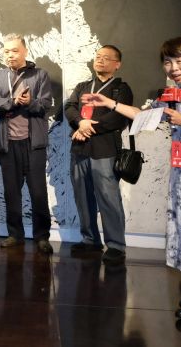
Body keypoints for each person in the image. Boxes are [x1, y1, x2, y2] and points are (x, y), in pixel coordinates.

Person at [83, 37, 181, 320]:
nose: (173, 68)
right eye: (168, 62)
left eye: (180, 61)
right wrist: (109, 102)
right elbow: (141, 115)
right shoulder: (174, 93)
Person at [63, 45, 133, 265]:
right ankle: (90, 240)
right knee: (83, 197)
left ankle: (116, 245)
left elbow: (118, 119)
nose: (100, 60)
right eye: (98, 56)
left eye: (106, 58)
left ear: (117, 64)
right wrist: (80, 122)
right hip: (80, 149)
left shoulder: (121, 89)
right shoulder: (83, 86)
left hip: (105, 150)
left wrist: (88, 127)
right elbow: (70, 108)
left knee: (108, 198)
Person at [0, 33, 53, 253]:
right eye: (6, 51)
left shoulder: (40, 74)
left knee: (38, 192)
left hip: (33, 143)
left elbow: (45, 105)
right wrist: (13, 102)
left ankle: (42, 236)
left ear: (25, 51)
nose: (10, 55)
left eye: (15, 50)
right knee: (11, 192)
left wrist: (30, 102)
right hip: (8, 144)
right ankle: (15, 234)